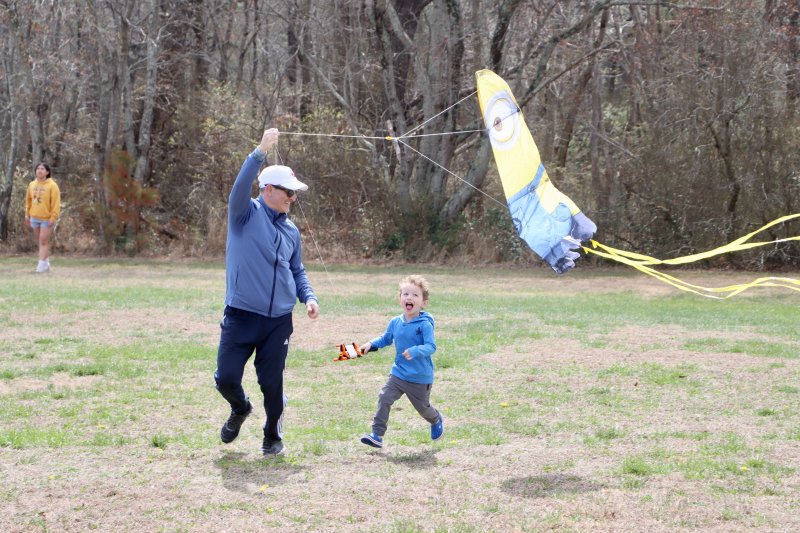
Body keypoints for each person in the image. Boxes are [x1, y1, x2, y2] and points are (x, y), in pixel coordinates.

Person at [214, 128, 320, 456]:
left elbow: (296, 270)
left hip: (278, 322)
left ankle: (272, 434)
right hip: (241, 316)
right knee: (226, 378)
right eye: (289, 192)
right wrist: (260, 152)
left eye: (295, 192)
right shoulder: (244, 215)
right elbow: (239, 188)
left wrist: (309, 296)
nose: (294, 198)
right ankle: (240, 408)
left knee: (272, 385)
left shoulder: (291, 230)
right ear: (269, 189)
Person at [360, 275, 443, 449]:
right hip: (399, 374)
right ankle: (377, 435)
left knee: (423, 409)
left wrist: (415, 351)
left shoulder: (425, 325)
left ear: (423, 302)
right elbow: (386, 338)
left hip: (420, 378)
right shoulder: (395, 322)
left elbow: (431, 347)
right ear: (400, 299)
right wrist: (370, 344)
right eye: (405, 294)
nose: (409, 298)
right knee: (384, 397)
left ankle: (435, 418)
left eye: (415, 295)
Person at [25, 163, 61, 273]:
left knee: (43, 241)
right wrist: (27, 214)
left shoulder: (52, 185)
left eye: (42, 169)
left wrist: (53, 217)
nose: (40, 171)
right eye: (38, 169)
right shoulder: (31, 184)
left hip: (47, 218)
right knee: (40, 241)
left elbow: (56, 203)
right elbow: (28, 200)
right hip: (34, 217)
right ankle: (46, 264)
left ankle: (40, 267)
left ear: (47, 172)